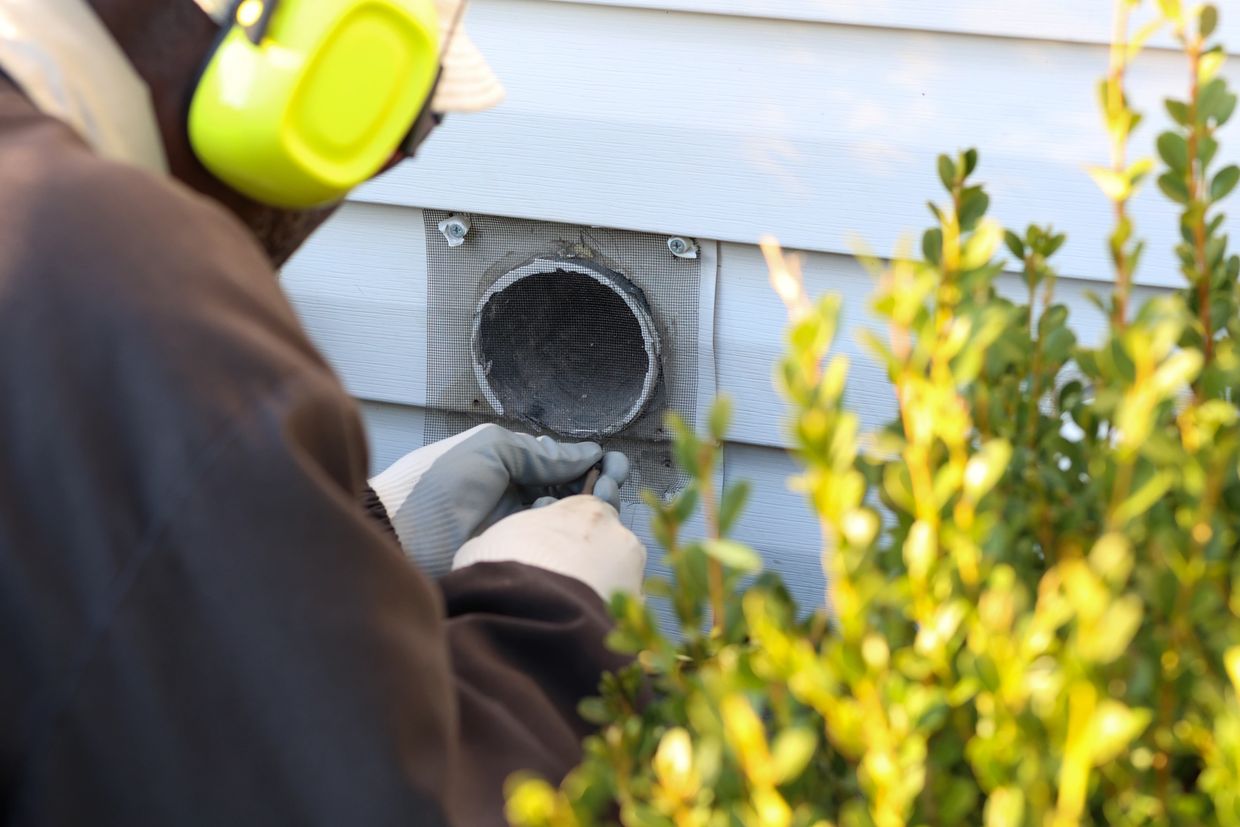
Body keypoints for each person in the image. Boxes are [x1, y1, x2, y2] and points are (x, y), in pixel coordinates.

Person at [0, 0, 648, 824]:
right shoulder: (132, 278)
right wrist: (549, 621)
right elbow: (371, 801)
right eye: (396, 125)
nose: (367, 175)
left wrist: (371, 527)